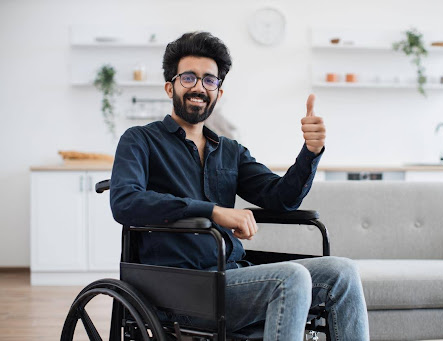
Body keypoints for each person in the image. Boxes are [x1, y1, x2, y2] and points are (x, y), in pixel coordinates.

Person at [110, 31, 369, 341]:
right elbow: (125, 201)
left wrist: (310, 152)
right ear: (170, 86)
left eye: (209, 80)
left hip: (233, 277)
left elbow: (280, 198)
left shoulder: (230, 151)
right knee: (290, 278)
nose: (199, 87)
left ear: (218, 92)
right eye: (189, 77)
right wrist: (214, 212)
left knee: (343, 272)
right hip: (178, 288)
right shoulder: (140, 140)